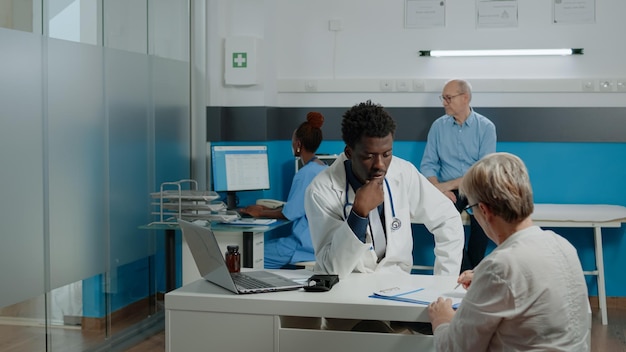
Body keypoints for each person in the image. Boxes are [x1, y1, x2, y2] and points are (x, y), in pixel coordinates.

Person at [428, 152, 591, 351]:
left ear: (484, 211)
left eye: (472, 209)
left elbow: (453, 348)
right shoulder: (563, 246)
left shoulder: (500, 267)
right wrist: (484, 279)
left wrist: (442, 320)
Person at [305, 100, 464, 279]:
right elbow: (330, 270)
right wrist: (358, 214)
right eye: (369, 156)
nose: (380, 165)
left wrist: (443, 282)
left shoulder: (403, 173)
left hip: (398, 285)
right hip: (348, 288)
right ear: (349, 153)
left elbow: (448, 219)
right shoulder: (321, 190)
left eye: (387, 154)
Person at [420, 79, 497, 272]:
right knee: (444, 224)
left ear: (465, 98)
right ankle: (469, 272)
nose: (444, 102)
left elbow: (483, 171)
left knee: (483, 227)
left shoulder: (486, 127)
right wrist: (440, 189)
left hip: (477, 188)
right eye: (443, 98)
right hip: (449, 192)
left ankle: (473, 273)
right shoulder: (438, 127)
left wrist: (444, 186)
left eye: (448, 98)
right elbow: (428, 164)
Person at [240, 112, 327, 269]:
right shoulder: (323, 168)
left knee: (249, 254)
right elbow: (300, 207)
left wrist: (260, 213)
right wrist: (267, 209)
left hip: (302, 246)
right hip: (318, 244)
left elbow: (290, 213)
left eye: (293, 140)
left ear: (298, 144)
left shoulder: (305, 173)